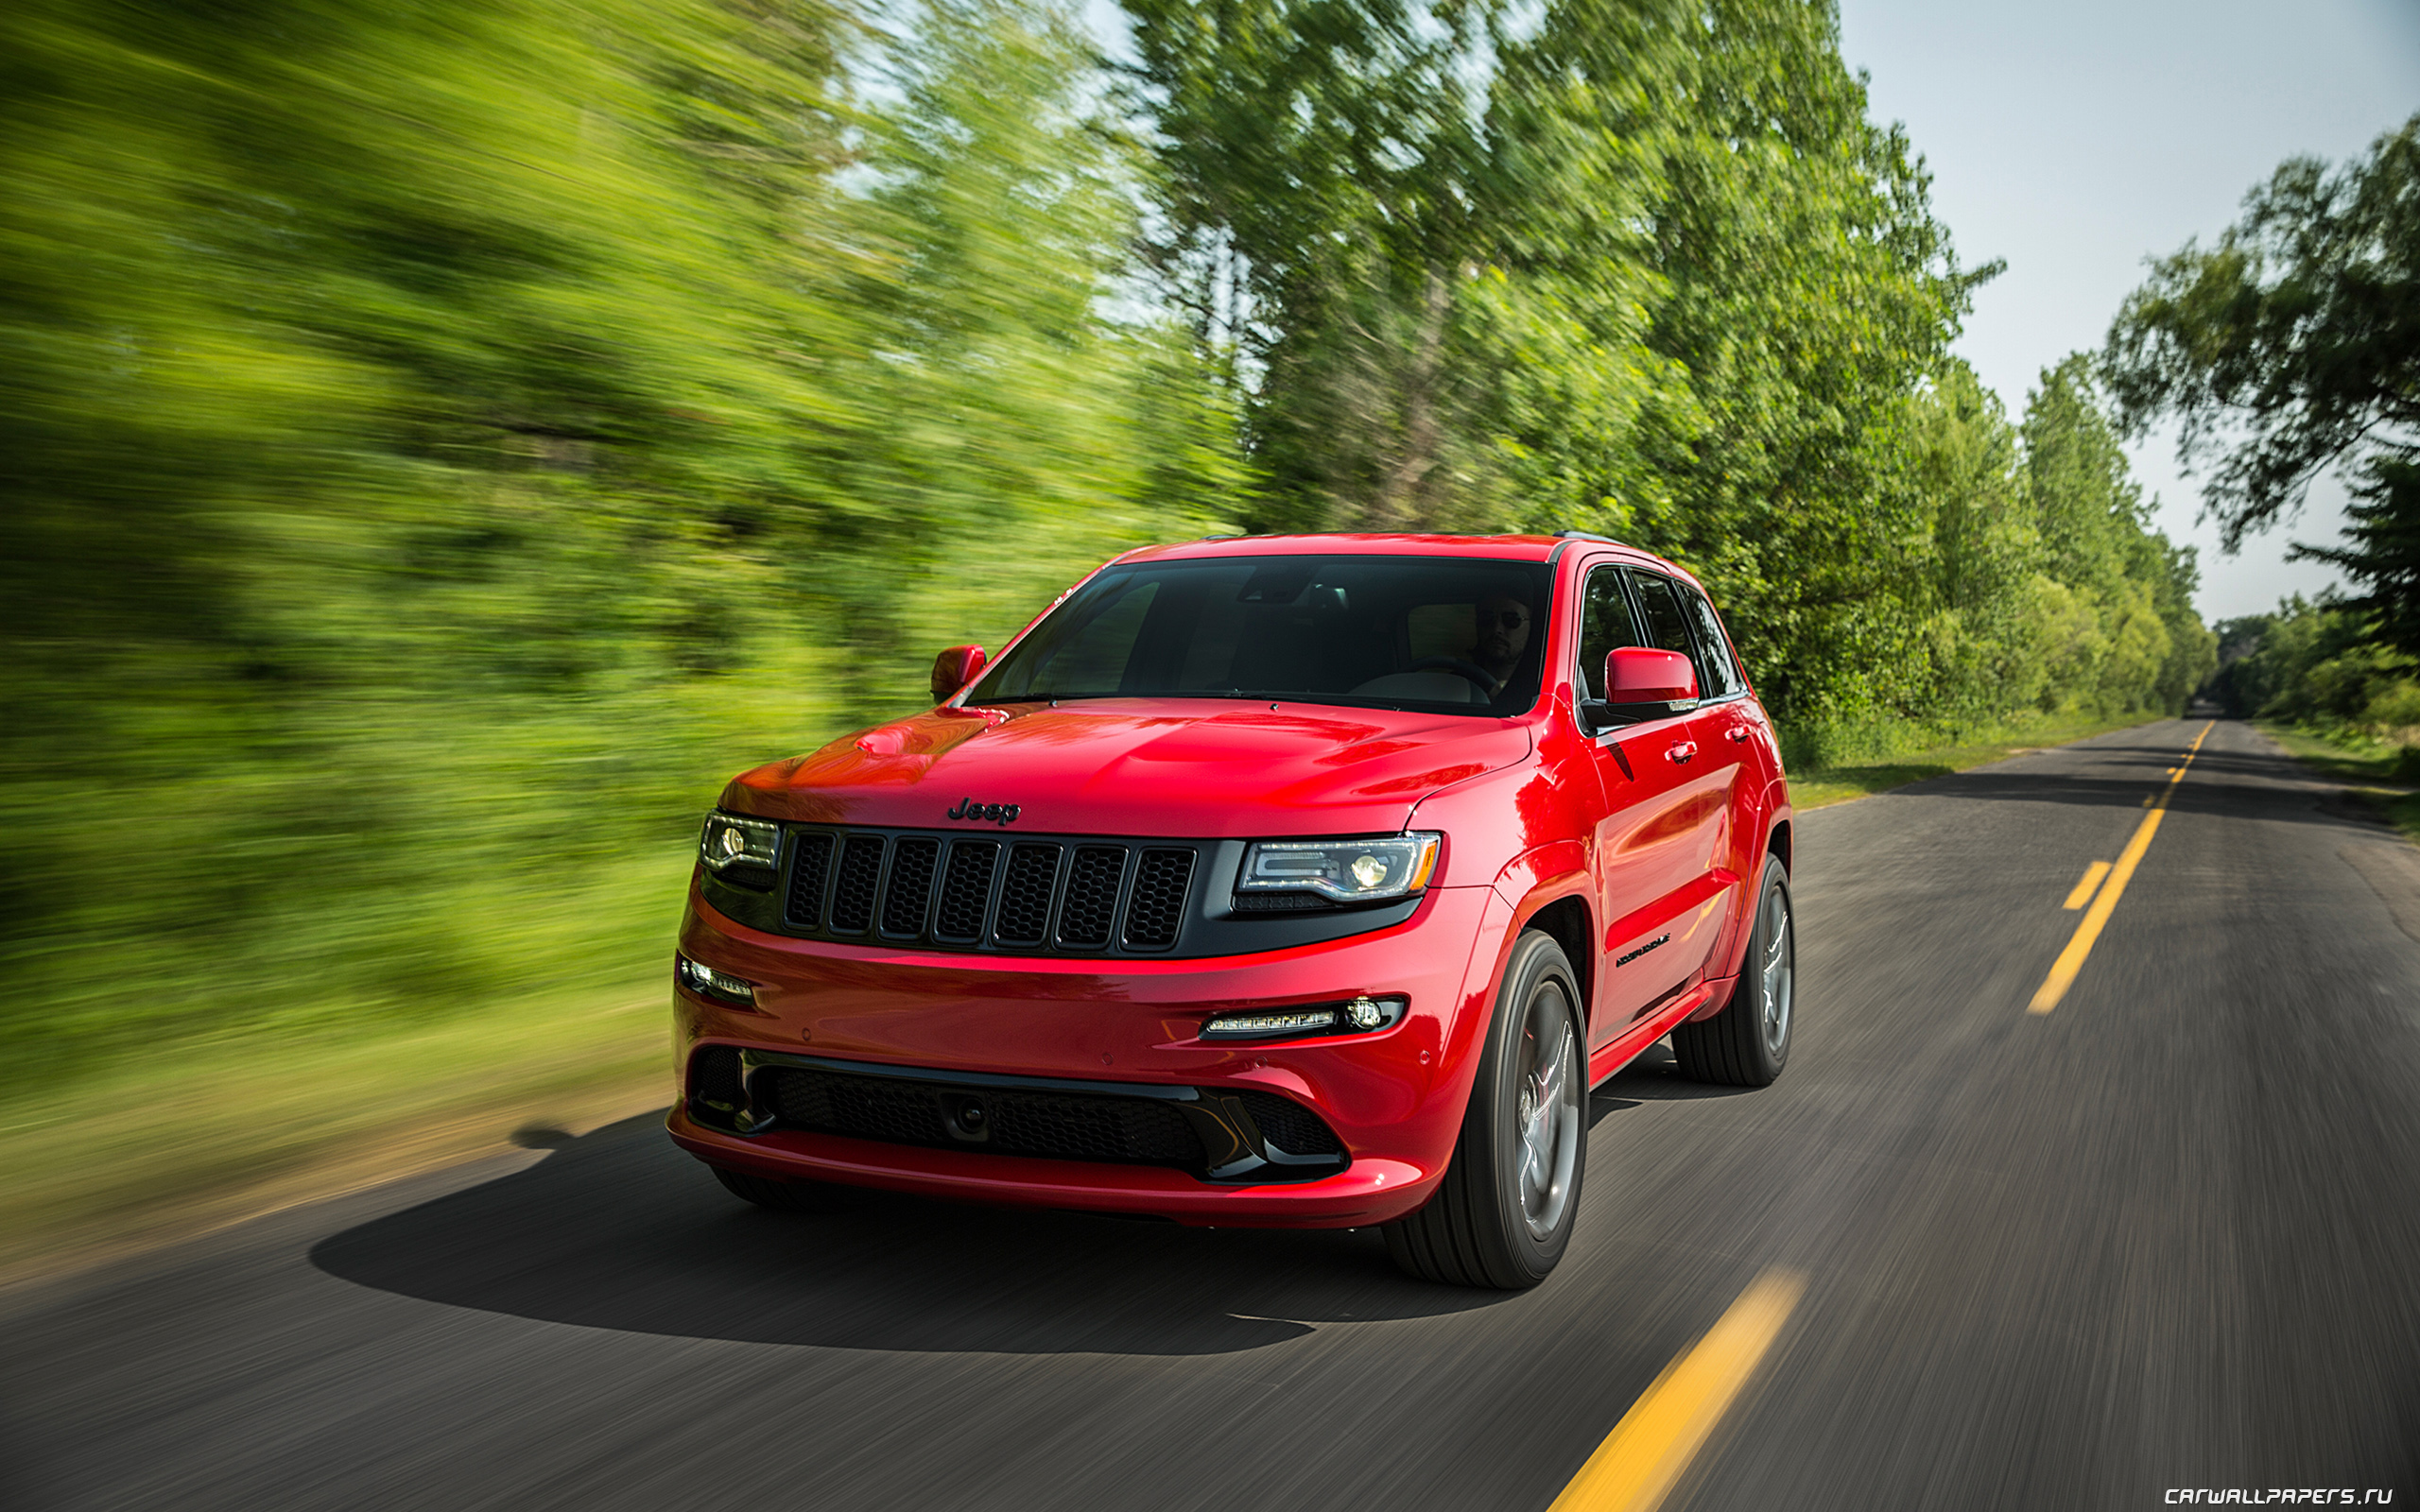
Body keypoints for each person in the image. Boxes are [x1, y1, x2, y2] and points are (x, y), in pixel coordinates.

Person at [1474, 593, 1532, 694]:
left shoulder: (1541, 690)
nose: (1497, 629)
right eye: (1487, 619)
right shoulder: (1457, 684)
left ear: (1531, 627)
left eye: (1511, 620)